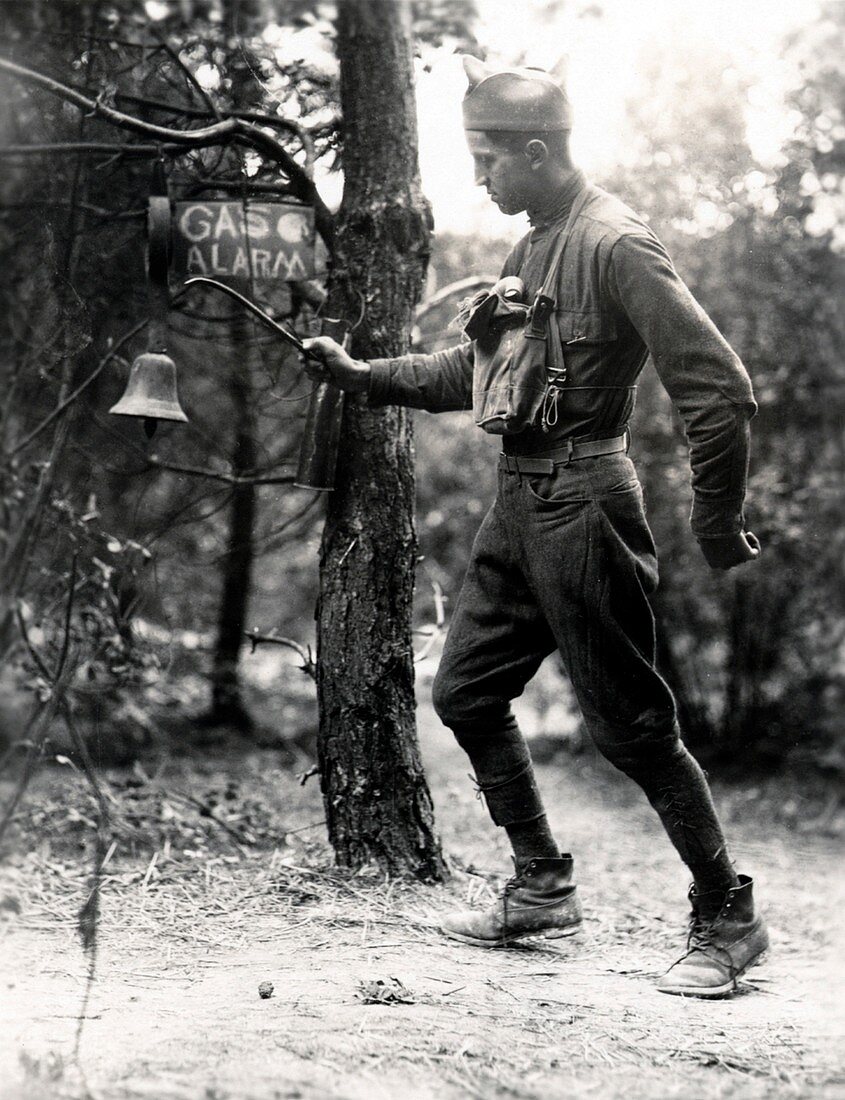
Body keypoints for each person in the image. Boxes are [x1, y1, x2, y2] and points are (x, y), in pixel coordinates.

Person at [303, 56, 769, 998]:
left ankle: (728, 914)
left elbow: (720, 393)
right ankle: (542, 884)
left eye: (486, 160)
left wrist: (715, 525)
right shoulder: (529, 248)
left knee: (633, 729)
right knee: (465, 692)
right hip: (518, 505)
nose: (479, 178)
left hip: (586, 504)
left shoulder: (615, 245)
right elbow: (471, 378)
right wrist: (364, 376)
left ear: (532, 149)